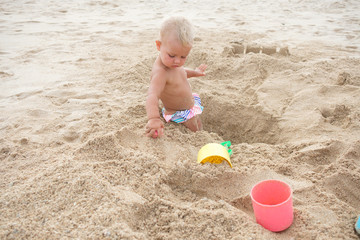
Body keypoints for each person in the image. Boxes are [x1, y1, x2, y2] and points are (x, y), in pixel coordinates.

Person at [145, 16, 207, 138]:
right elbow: (152, 95)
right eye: (172, 55)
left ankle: (203, 134)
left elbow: (181, 72)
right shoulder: (161, 72)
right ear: (159, 45)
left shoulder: (172, 63)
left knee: (198, 124)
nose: (177, 61)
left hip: (189, 108)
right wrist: (153, 118)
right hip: (178, 113)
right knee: (194, 130)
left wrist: (195, 72)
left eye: (183, 57)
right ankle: (200, 140)